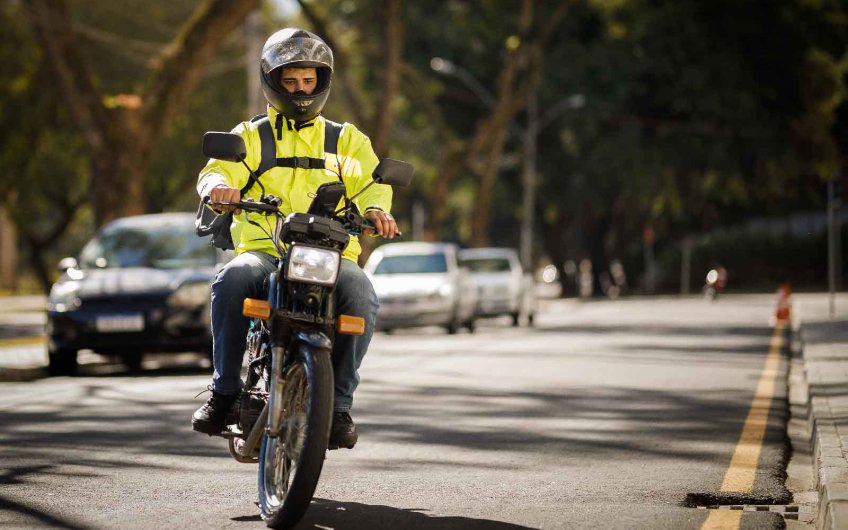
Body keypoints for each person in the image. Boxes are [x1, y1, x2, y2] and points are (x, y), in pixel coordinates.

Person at [191, 27, 398, 449]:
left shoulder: (347, 139)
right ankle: (225, 392)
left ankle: (338, 407)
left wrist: (377, 209)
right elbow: (216, 169)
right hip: (266, 251)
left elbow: (372, 185)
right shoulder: (251, 135)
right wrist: (217, 190)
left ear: (322, 81)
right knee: (230, 281)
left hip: (331, 255)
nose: (301, 89)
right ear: (272, 81)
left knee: (362, 295)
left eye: (308, 80)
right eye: (290, 81)